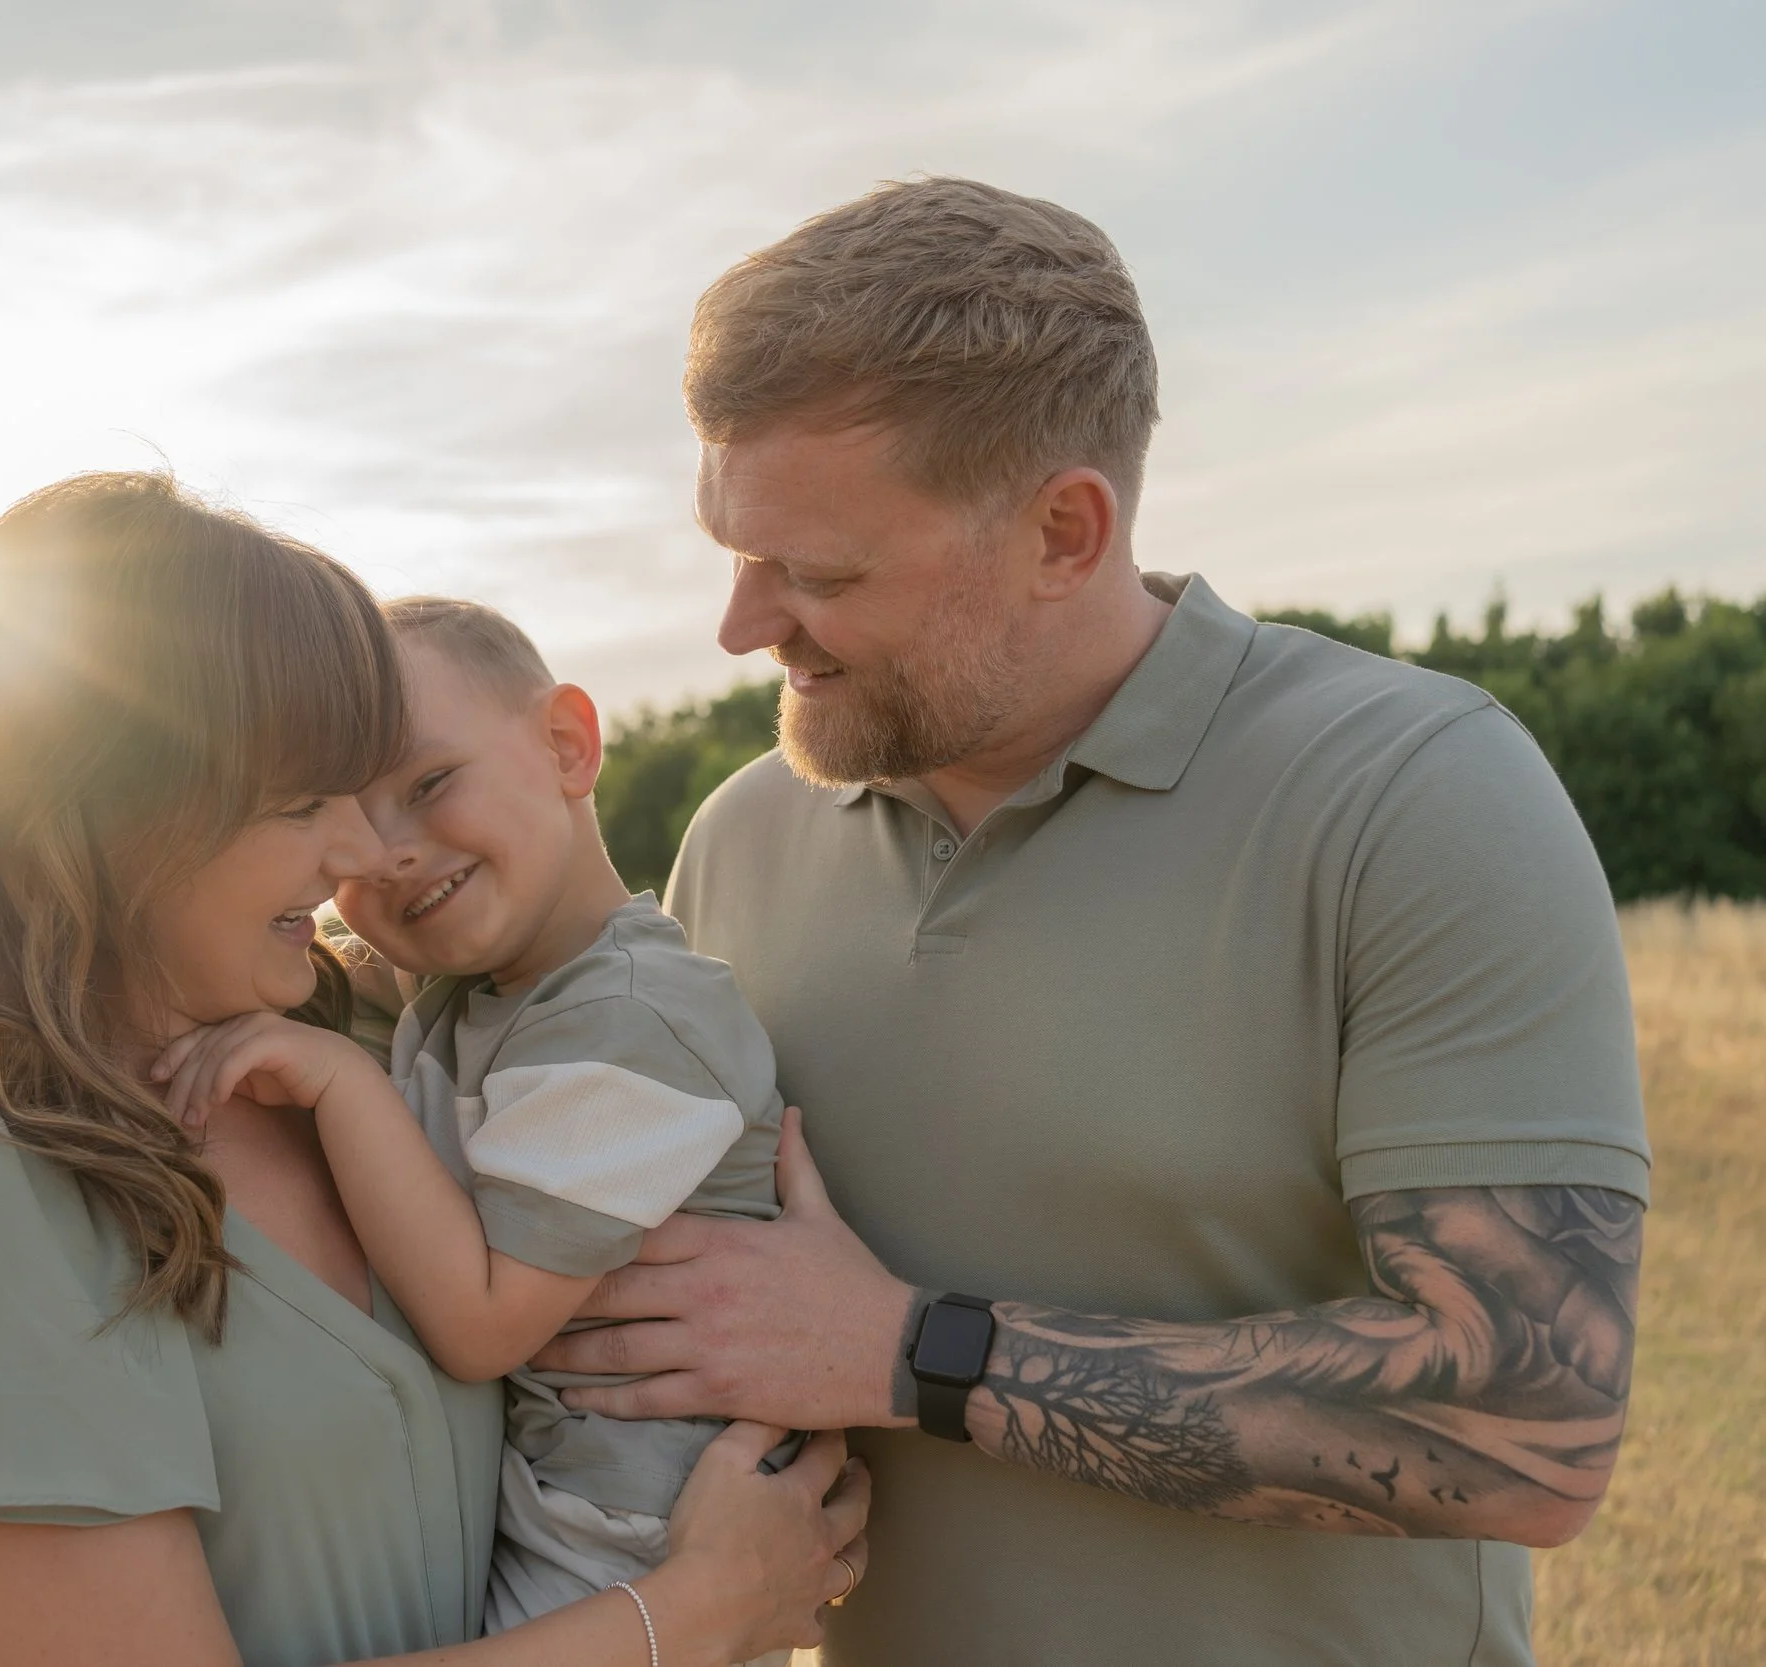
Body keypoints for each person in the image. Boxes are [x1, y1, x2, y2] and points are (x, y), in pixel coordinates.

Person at [528, 178, 1649, 1665]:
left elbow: (1532, 1418)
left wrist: (908, 1350)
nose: (743, 624)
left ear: (1065, 529)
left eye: (821, 572)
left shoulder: (1413, 793)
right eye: (734, 550)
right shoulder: (741, 835)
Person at [0, 472, 870, 1667]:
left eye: (387, 786)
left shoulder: (371, 1048)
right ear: (118, 819)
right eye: (301, 800)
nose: (356, 853)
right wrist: (690, 1614)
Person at [153, 597, 815, 1663]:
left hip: (633, 1535)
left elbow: (483, 1320)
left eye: (427, 785)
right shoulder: (476, 997)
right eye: (349, 836)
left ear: (566, 743)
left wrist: (334, 1080)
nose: (392, 855)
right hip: (555, 1505)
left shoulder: (636, 1017)